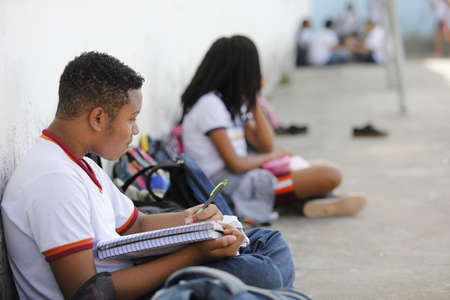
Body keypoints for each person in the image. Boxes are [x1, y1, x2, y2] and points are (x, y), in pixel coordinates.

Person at [1, 51, 295, 299]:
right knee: (261, 271)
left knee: (267, 242)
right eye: (132, 118)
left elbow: (136, 224)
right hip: (129, 292)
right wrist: (195, 256)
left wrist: (195, 220)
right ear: (99, 118)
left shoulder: (82, 165)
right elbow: (88, 293)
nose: (136, 130)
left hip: (135, 272)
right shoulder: (53, 181)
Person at [181, 35, 366, 225]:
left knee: (316, 167)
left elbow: (265, 144)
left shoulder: (227, 104)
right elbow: (235, 164)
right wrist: (274, 156)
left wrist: (253, 98)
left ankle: (308, 201)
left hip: (244, 178)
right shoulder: (209, 105)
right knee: (329, 175)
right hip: (227, 187)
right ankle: (309, 199)